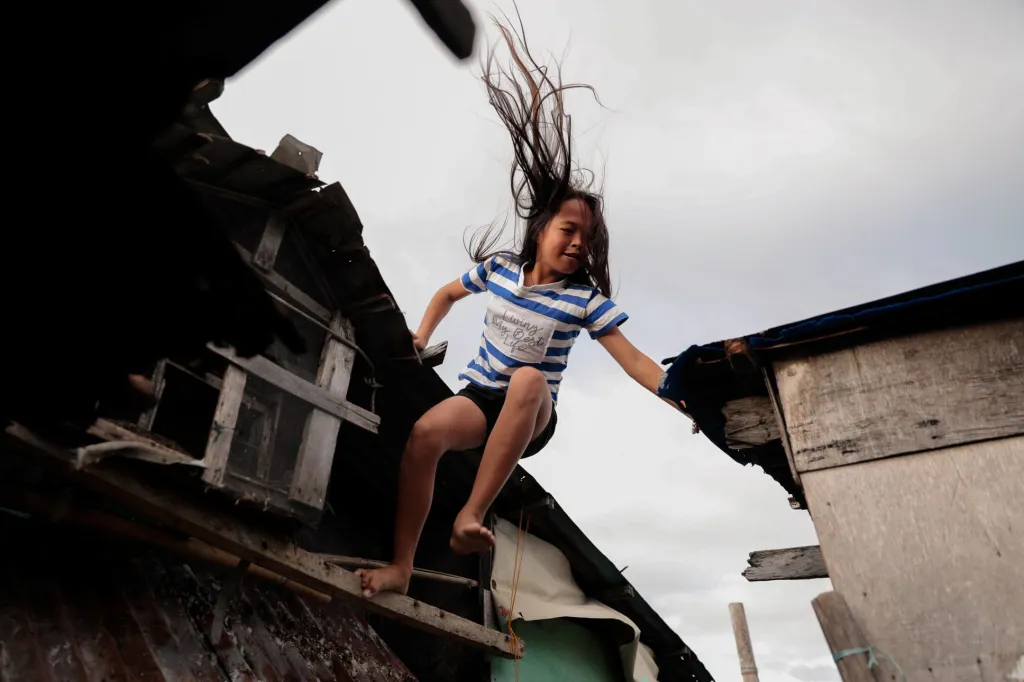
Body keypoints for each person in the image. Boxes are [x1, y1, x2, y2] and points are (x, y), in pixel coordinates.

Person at [356, 16, 685, 598]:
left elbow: (633, 360)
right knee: (425, 434)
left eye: (587, 238)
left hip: (532, 411)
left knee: (530, 379)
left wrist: (679, 394)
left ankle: (470, 516)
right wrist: (420, 331)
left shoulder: (584, 301)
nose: (578, 243)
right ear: (541, 229)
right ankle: (400, 568)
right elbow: (448, 292)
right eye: (568, 230)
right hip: (481, 399)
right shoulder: (501, 271)